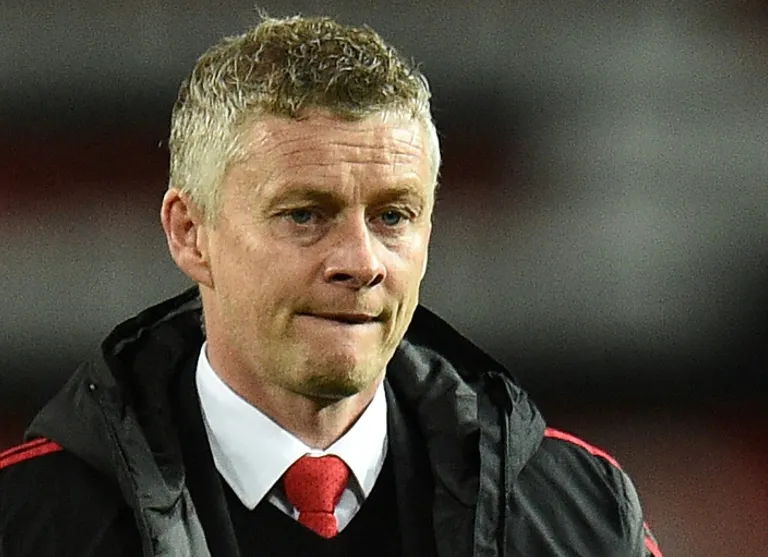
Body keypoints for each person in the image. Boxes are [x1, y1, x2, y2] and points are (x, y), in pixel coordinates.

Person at [0, 14, 663, 557]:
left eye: (393, 216)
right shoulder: (27, 521)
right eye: (305, 215)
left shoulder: (582, 516)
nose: (361, 261)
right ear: (190, 232)